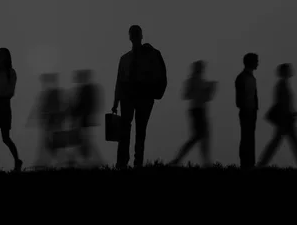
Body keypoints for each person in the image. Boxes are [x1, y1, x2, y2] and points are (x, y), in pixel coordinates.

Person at [112, 25, 163, 168]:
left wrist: (116, 101)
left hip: (143, 97)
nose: (134, 37)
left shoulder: (149, 55)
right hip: (129, 97)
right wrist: (116, 101)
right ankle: (124, 163)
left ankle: (134, 163)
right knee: (129, 130)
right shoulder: (125, 59)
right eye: (133, 34)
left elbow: (119, 82)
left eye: (135, 34)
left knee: (138, 131)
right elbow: (119, 82)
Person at [257, 63, 297, 168]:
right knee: (288, 143)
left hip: (286, 119)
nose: (290, 71)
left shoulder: (283, 84)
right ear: (284, 72)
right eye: (288, 70)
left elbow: (282, 103)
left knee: (282, 142)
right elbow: (282, 103)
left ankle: (262, 163)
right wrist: (290, 115)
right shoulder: (282, 85)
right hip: (285, 120)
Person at [170, 60, 216, 167]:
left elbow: (207, 98)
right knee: (198, 137)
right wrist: (202, 91)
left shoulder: (201, 80)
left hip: (200, 110)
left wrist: (210, 89)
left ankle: (205, 161)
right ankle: (179, 159)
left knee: (203, 137)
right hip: (196, 111)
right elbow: (186, 95)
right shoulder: (192, 80)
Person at [0, 47, 23, 172]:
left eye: (1, 55)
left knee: (5, 137)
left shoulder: (11, 72)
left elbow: (11, 91)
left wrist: (2, 96)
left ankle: (17, 161)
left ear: (7, 57)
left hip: (4, 104)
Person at [69, 69, 103, 167]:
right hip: (84, 119)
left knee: (83, 141)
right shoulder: (88, 89)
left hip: (83, 119)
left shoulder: (85, 90)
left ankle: (94, 161)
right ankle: (89, 161)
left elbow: (81, 106)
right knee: (84, 141)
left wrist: (74, 111)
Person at [235, 53, 259, 169]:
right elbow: (239, 99)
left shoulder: (249, 77)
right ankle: (245, 163)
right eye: (256, 61)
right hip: (246, 111)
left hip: (251, 111)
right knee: (246, 138)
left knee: (249, 137)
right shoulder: (243, 77)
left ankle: (249, 163)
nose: (258, 63)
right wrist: (246, 108)